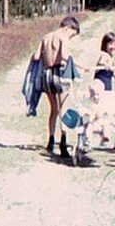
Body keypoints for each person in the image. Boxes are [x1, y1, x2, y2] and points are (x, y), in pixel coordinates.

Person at [32, 16, 81, 158]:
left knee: (54, 109)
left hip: (46, 75)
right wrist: (67, 57)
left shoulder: (46, 37)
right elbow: (64, 56)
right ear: (67, 28)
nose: (71, 38)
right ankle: (63, 143)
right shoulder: (63, 37)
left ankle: (51, 140)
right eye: (72, 34)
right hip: (60, 74)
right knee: (63, 111)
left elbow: (36, 57)